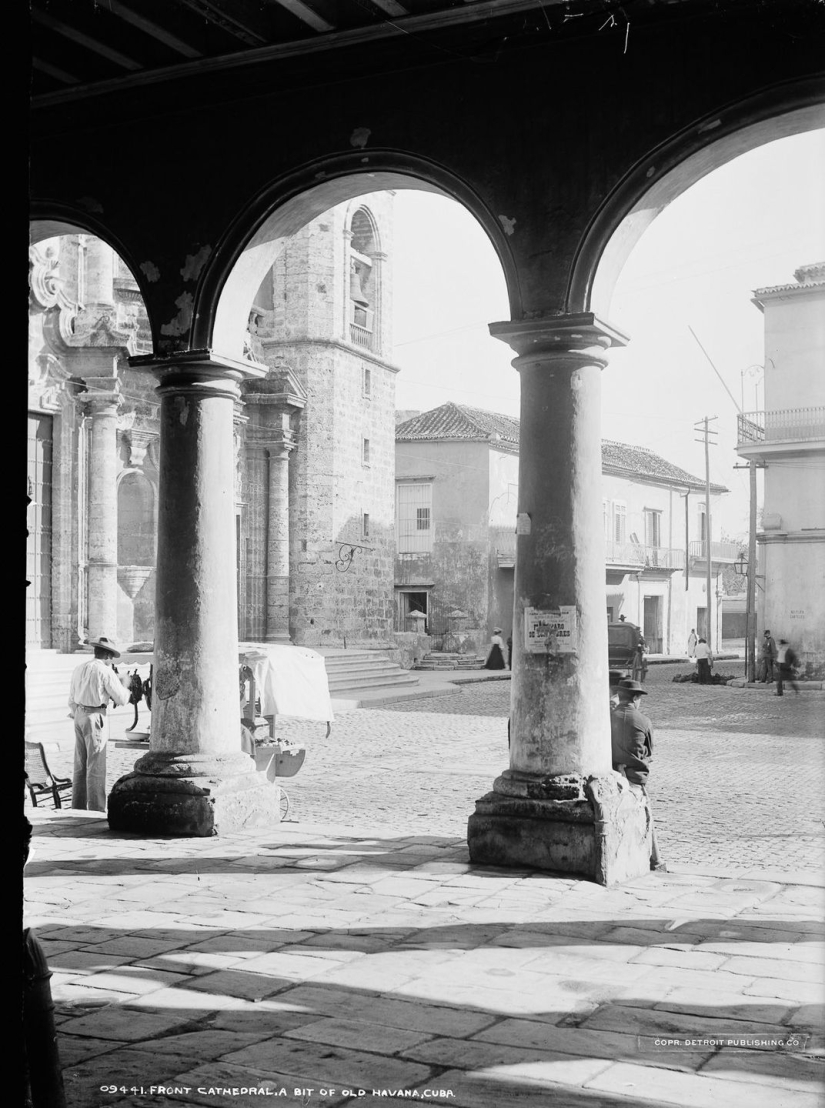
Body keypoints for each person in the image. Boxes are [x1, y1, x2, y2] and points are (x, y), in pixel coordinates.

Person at [68, 635, 131, 812]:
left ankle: (78, 807)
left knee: (80, 764)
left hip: (79, 714)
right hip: (95, 715)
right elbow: (121, 698)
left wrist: (77, 713)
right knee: (96, 764)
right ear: (108, 655)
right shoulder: (105, 671)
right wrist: (125, 684)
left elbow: (71, 698)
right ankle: (96, 809)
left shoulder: (79, 668)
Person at [610, 679, 665, 871]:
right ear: (635, 698)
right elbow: (649, 751)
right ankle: (656, 861)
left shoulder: (609, 718)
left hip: (612, 775)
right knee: (647, 816)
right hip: (635, 776)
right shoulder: (644, 721)